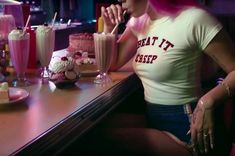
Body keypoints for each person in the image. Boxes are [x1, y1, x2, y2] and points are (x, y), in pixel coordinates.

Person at [76, 0, 235, 155]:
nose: (120, 0)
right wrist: (109, 28)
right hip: (154, 117)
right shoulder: (139, 23)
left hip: (187, 127)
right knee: (84, 131)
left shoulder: (194, 19)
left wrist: (208, 101)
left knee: (93, 140)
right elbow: (112, 64)